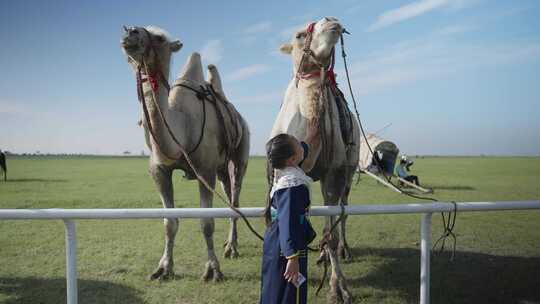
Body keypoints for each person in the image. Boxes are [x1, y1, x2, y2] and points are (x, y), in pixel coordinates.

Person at [260, 133, 313, 304]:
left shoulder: (284, 168)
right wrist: (292, 257)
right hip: (287, 245)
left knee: (274, 287)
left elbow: (301, 150)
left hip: (280, 240)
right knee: (287, 292)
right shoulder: (292, 185)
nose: (300, 143)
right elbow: (288, 222)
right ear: (291, 159)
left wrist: (310, 136)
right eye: (297, 143)